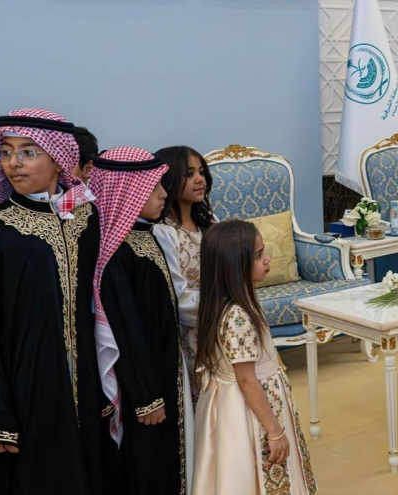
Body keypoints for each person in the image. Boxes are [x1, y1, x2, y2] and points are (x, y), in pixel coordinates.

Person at [0, 108, 105, 493]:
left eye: (28, 152)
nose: (13, 163)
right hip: (25, 386)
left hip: (90, 381)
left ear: (58, 159)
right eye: (6, 152)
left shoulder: (88, 219)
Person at [90, 146, 193, 494]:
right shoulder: (116, 253)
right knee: (147, 465)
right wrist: (145, 397)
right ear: (125, 192)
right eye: (153, 187)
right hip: (143, 387)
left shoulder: (145, 235)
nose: (164, 194)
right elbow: (124, 331)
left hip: (164, 370)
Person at [192, 219, 316, 495]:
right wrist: (274, 430)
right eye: (258, 256)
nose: (267, 259)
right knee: (253, 472)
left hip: (231, 402)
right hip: (248, 409)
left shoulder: (226, 303)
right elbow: (246, 379)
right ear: (234, 265)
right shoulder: (238, 316)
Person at [152, 145, 217, 404]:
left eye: (201, 172)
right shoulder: (164, 232)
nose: (199, 179)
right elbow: (177, 294)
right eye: (189, 174)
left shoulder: (209, 221)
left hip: (220, 320)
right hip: (190, 330)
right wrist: (219, 303)